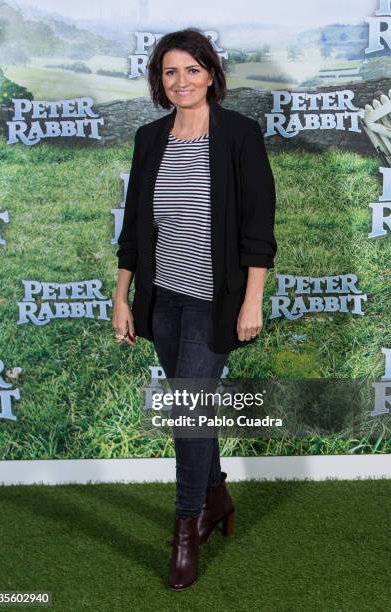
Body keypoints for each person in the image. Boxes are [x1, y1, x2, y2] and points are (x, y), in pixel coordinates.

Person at [112, 28, 277, 591]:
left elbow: (258, 227)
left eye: (191, 70)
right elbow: (136, 226)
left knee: (187, 413)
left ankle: (186, 532)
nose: (180, 81)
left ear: (211, 73)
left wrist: (252, 300)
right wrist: (122, 296)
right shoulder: (149, 138)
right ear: (160, 80)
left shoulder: (239, 135)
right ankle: (218, 495)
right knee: (195, 410)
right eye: (169, 72)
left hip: (215, 301)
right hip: (162, 300)